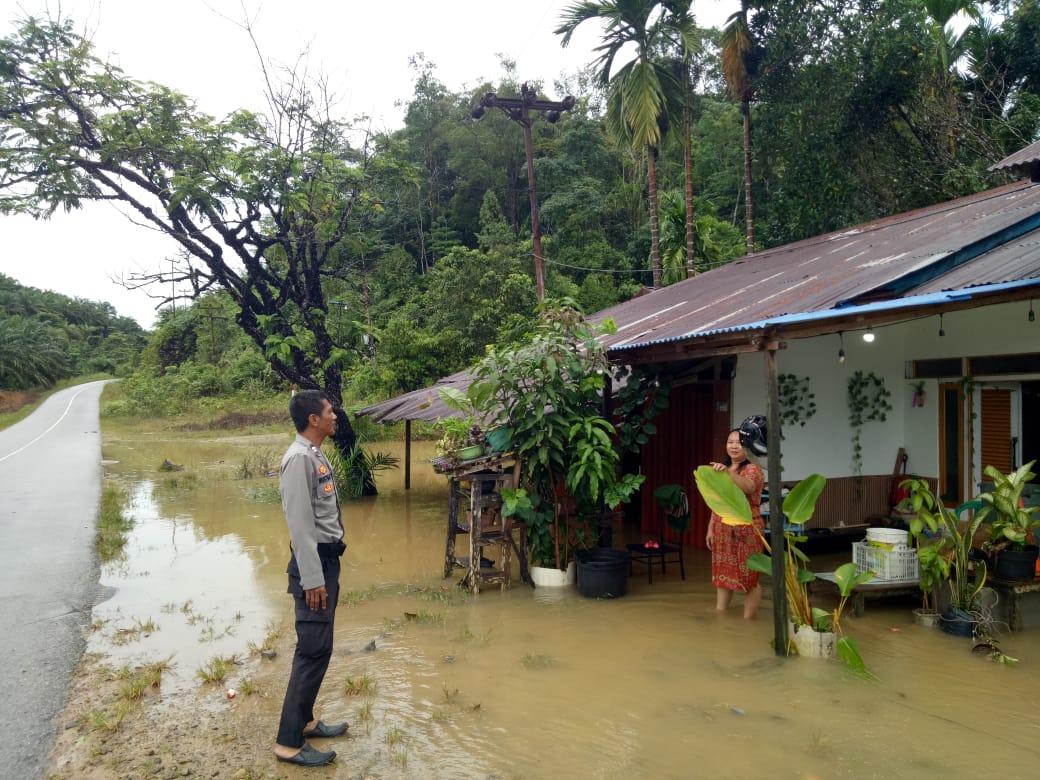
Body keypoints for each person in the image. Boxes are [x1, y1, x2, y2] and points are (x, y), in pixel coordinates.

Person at [273, 390, 349, 767]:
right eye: (329, 411)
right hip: (313, 566)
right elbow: (301, 526)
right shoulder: (298, 459)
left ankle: (305, 721)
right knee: (312, 650)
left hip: (325, 561)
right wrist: (313, 580)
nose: (335, 416)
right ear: (313, 420)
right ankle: (287, 742)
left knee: (321, 646)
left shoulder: (314, 453)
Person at [705, 428, 766, 619]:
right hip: (721, 529)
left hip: (747, 530)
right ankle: (720, 615)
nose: (733, 446)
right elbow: (716, 502)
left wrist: (728, 474)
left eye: (738, 442)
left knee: (750, 578)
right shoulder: (722, 468)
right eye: (730, 442)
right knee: (723, 576)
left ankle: (749, 621)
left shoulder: (753, 468)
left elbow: (749, 487)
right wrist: (710, 529)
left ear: (748, 446)